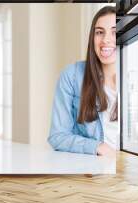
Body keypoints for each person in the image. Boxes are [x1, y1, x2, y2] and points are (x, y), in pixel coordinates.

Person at [48, 6, 118, 158]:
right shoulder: (72, 76)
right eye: (99, 32)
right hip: (92, 172)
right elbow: (57, 136)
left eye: (115, 32)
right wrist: (98, 147)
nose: (106, 39)